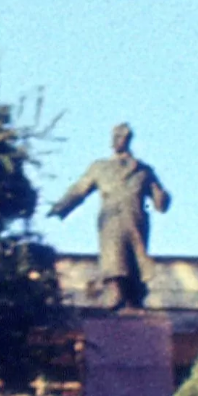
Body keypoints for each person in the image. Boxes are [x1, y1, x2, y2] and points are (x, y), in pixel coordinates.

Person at [50, 125, 172, 309]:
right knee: (113, 258)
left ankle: (133, 298)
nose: (115, 141)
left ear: (127, 140)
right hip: (111, 220)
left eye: (120, 137)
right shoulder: (100, 167)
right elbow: (79, 189)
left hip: (135, 219)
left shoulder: (143, 170)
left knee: (135, 261)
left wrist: (162, 197)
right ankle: (115, 293)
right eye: (114, 137)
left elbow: (159, 201)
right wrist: (61, 207)